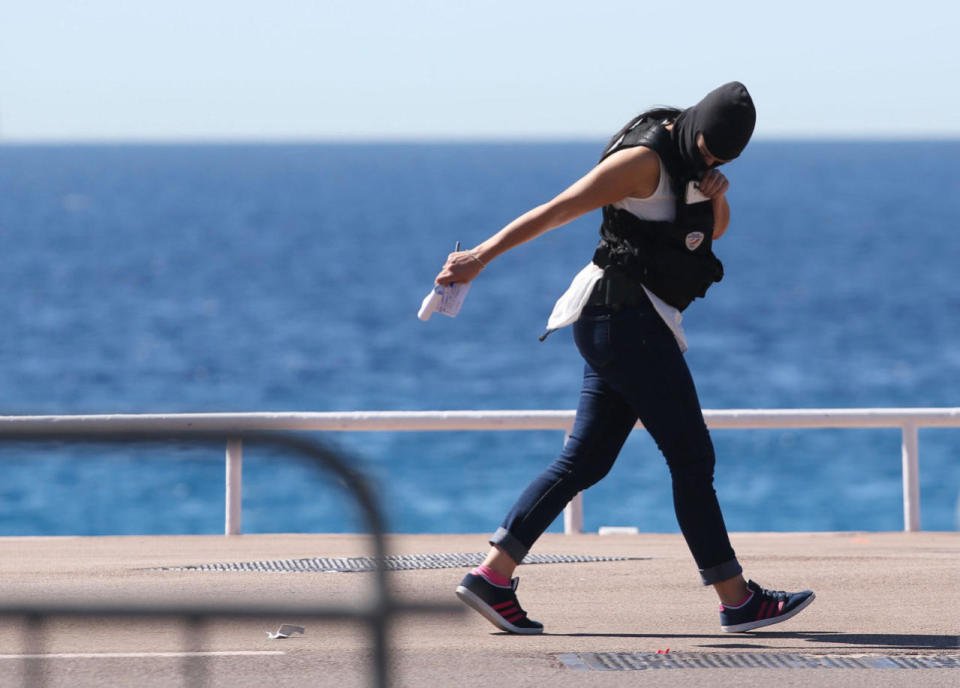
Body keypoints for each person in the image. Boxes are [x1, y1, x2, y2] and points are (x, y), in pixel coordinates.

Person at [434, 82, 815, 635]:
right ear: (695, 125)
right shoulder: (642, 160)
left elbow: (710, 230)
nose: (708, 160)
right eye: (707, 150)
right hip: (623, 321)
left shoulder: (695, 157)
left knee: (585, 461)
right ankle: (737, 599)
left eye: (722, 159)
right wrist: (479, 257)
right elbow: (558, 210)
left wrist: (718, 192)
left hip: (629, 322)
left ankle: (492, 577)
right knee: (691, 459)